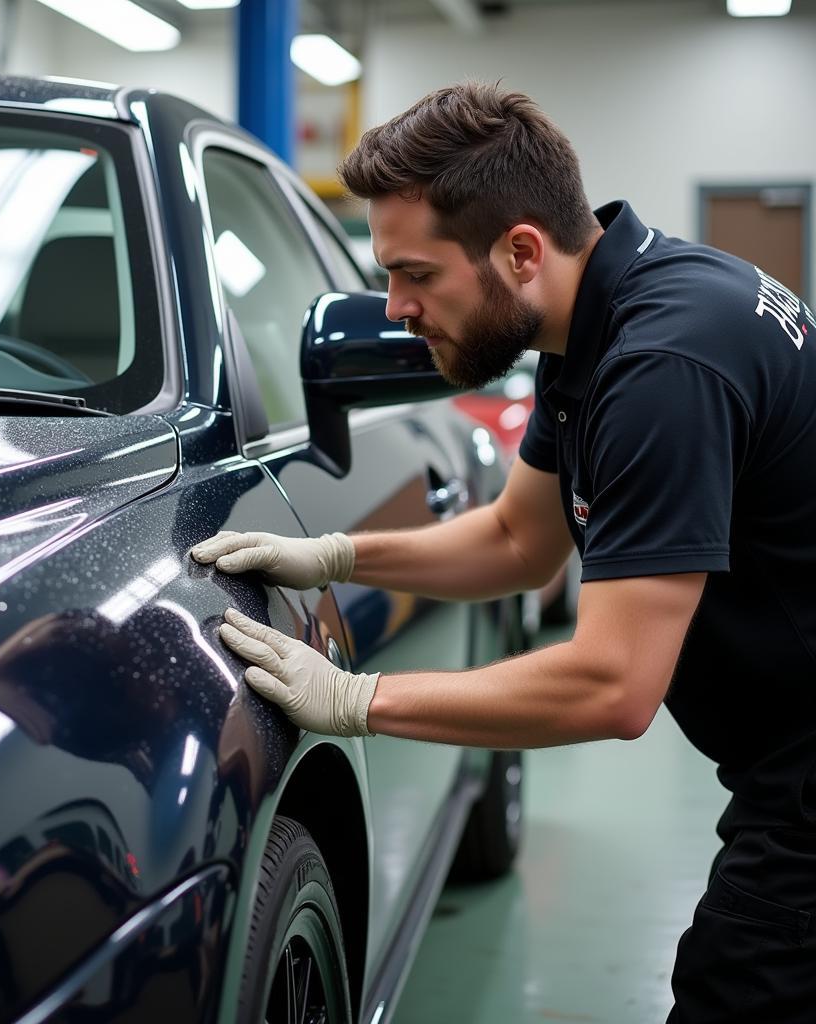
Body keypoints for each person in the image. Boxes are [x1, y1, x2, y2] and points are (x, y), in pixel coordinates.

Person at [190, 81, 816, 1023]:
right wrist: (332, 556)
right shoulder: (598, 322)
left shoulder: (662, 366)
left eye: (416, 274)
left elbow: (613, 685)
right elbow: (520, 540)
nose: (393, 306)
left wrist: (358, 703)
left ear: (521, 250)